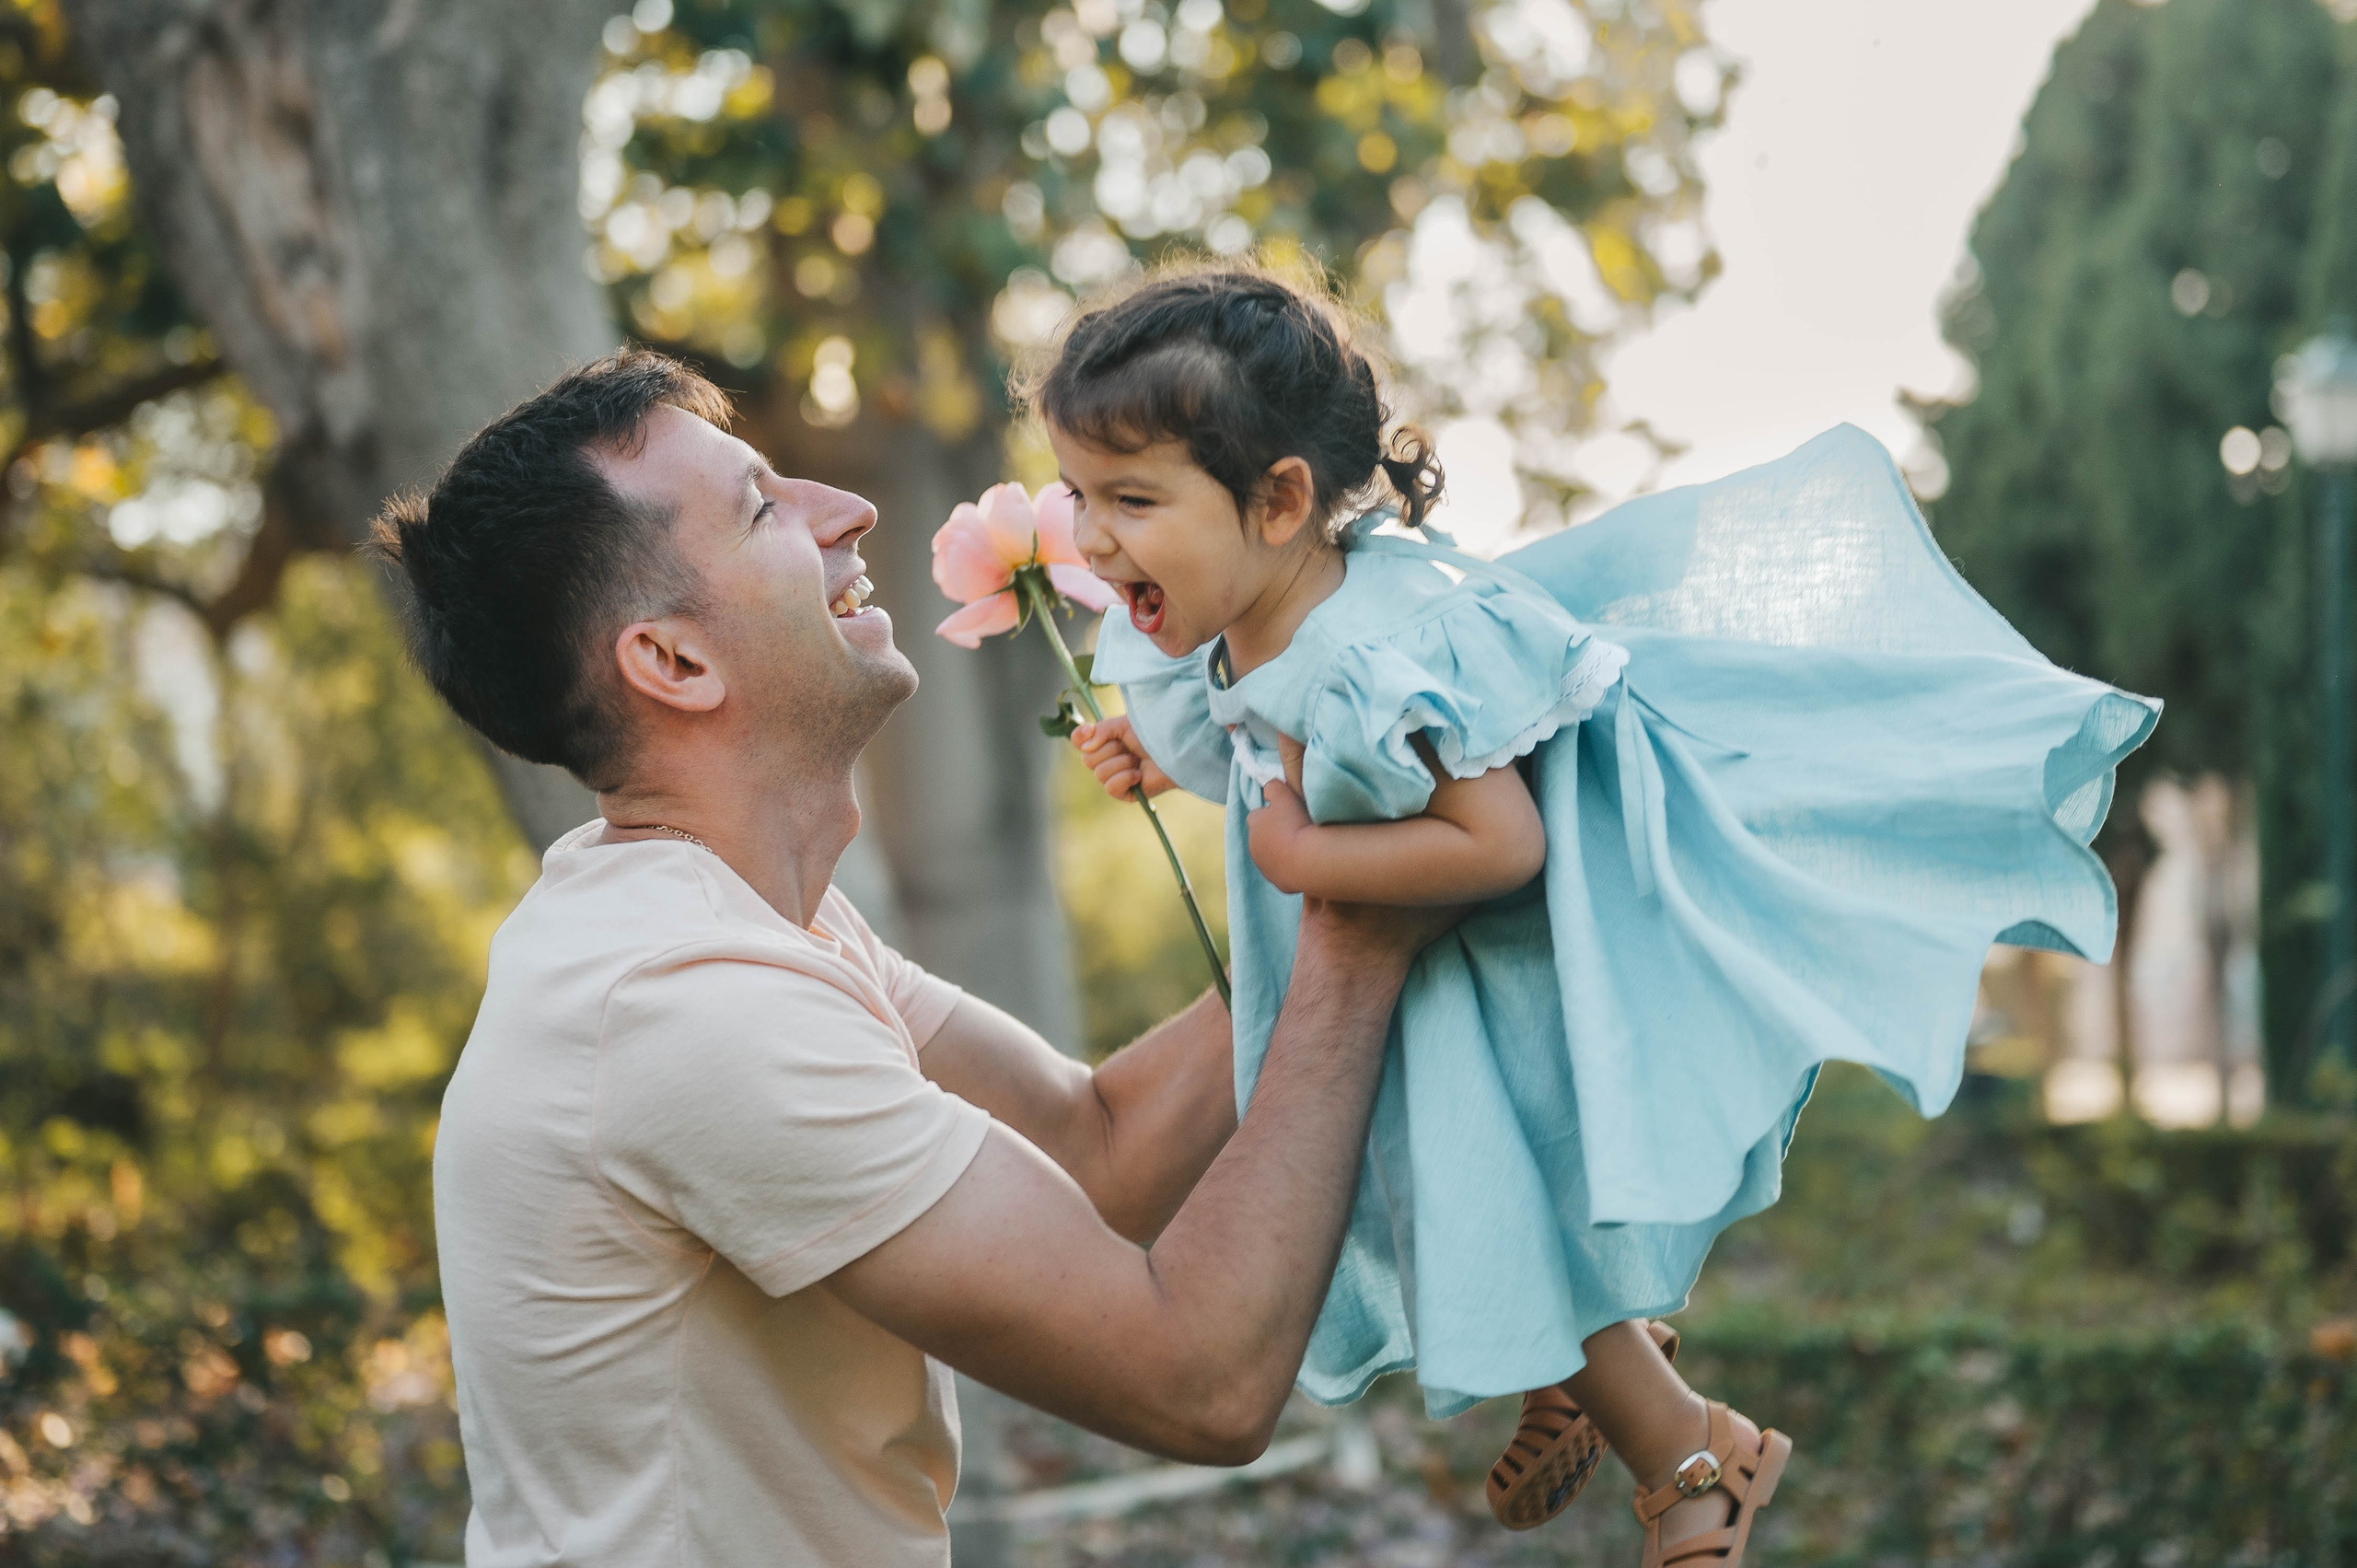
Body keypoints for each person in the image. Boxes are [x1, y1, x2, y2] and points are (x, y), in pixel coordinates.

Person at [1047, 265, 2161, 1566]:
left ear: (1282, 499)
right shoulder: (1263, 617)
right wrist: (1165, 753)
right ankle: (1580, 1380)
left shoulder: (1377, 644)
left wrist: (1297, 859)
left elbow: (1495, 840)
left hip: (1504, 976)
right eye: (1077, 496)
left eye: (1131, 500)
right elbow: (1260, 740)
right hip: (1414, 993)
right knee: (1483, 1197)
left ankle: (1698, 1459)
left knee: (1495, 1192)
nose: (1092, 537)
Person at [375, 350, 1463, 1568]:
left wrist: (1342, 871)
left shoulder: (742, 925)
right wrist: (1358, 937)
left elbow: (1095, 1148)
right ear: (673, 662)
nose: (845, 508)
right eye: (761, 506)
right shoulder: (687, 1006)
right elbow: (1198, 1383)